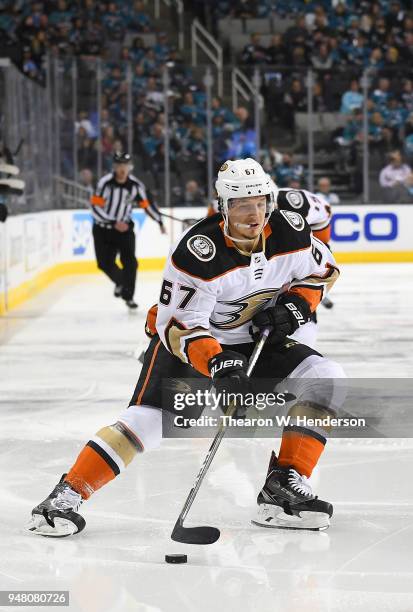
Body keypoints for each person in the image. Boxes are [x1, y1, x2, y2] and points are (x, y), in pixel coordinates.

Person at [27, 158, 345, 537]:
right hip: (191, 345)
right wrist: (218, 365)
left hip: (252, 339)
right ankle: (66, 495)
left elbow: (322, 271)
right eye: (242, 204)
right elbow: (179, 327)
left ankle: (282, 489)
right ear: (223, 207)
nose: (253, 213)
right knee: (151, 421)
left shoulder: (291, 233)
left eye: (260, 202)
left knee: (325, 377)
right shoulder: (197, 253)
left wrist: (294, 306)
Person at [89, 151, 166, 309]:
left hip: (124, 230)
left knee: (130, 262)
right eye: (119, 166)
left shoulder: (135, 186)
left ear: (130, 167)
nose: (122, 169)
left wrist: (159, 220)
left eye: (125, 165)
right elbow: (95, 208)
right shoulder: (105, 183)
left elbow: (146, 205)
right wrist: (112, 222)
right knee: (104, 263)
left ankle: (128, 295)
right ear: (114, 167)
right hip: (103, 230)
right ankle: (120, 282)